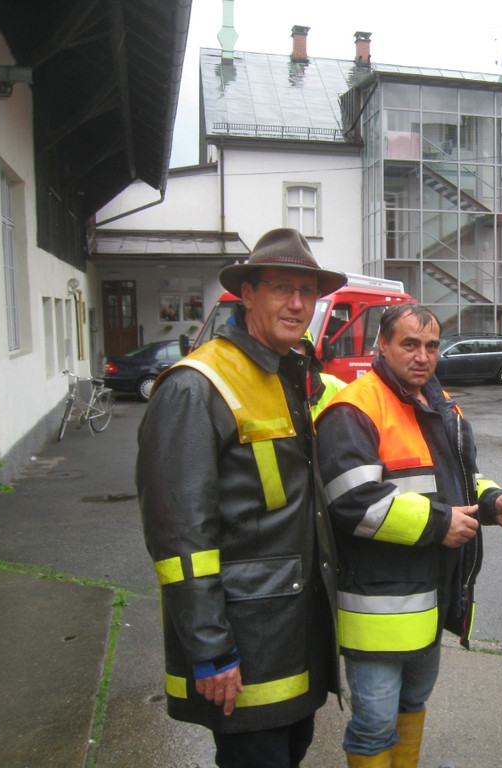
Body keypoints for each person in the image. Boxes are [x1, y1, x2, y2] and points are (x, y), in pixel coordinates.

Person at [136, 228, 348, 768]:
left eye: (307, 291)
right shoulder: (195, 386)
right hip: (242, 642)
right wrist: (209, 647)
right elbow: (179, 535)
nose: (296, 303)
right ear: (247, 294)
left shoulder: (289, 373)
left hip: (293, 633)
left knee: (291, 750)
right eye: (281, 288)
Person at [314, 304, 502, 767]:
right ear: (383, 346)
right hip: (377, 608)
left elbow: (464, 479)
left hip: (429, 600)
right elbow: (352, 502)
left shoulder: (441, 403)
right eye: (409, 344)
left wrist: (494, 503)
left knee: (413, 705)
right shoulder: (353, 408)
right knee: (374, 726)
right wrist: (439, 524)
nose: (422, 356)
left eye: (431, 346)